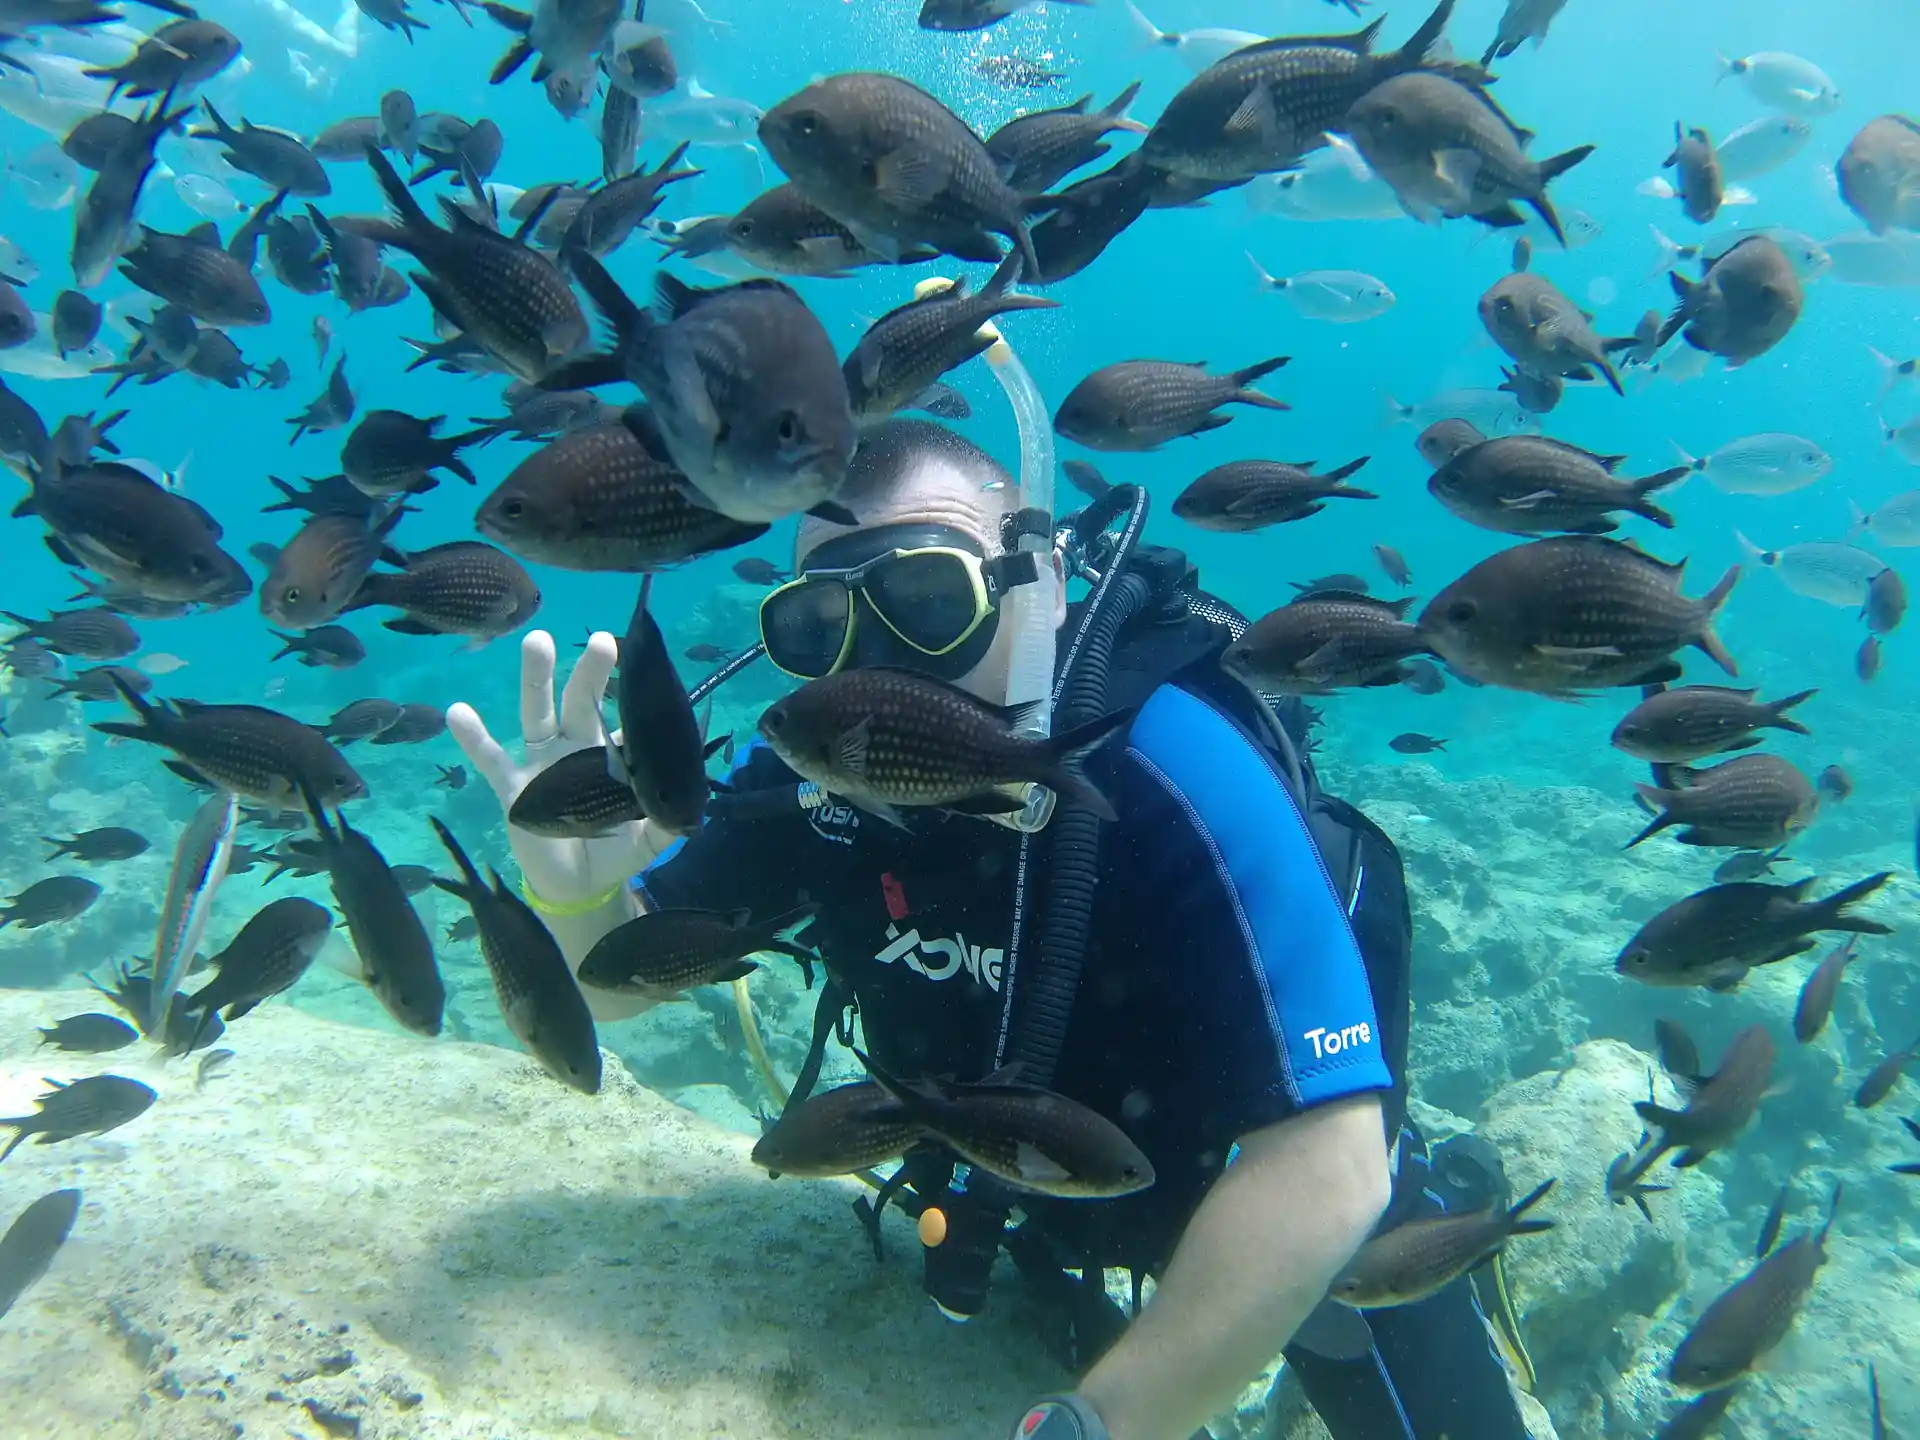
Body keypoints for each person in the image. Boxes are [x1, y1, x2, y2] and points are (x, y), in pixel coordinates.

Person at [448, 416, 1535, 1440]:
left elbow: (1330, 1168)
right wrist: (569, 887)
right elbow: (608, 987)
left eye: (926, 600)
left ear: (1038, 587)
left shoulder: (1171, 760)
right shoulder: (811, 761)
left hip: (1252, 1186)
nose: (876, 668)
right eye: (820, 626)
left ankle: (1464, 1198)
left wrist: (1090, 1426)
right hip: (1028, 1197)